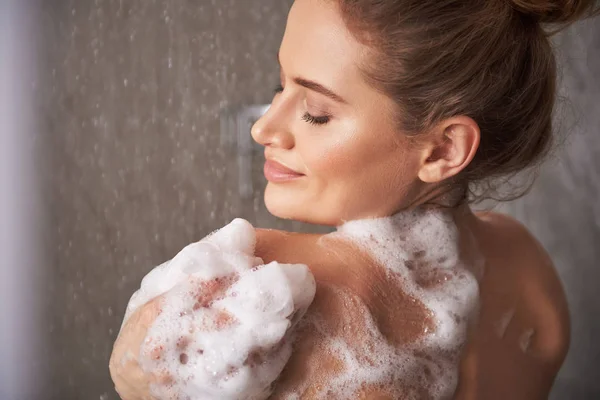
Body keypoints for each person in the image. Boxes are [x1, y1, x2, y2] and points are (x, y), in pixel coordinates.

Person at [110, 0, 599, 398]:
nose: (263, 128)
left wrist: (131, 380)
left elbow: (149, 371)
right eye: (279, 87)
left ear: (444, 149)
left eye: (317, 112)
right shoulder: (528, 266)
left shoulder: (260, 286)